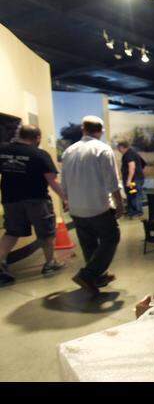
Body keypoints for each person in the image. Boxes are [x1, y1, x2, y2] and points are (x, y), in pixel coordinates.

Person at [60, 115, 124, 296]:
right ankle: (87, 275)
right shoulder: (102, 150)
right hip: (97, 206)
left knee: (88, 244)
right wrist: (119, 204)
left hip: (76, 208)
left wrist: (66, 200)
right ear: (101, 131)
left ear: (83, 129)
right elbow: (112, 182)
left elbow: (63, 181)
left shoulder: (69, 151)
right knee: (111, 237)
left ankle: (98, 277)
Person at [0, 124, 68, 286]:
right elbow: (52, 181)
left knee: (12, 232)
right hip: (36, 200)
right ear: (37, 138)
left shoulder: (3, 150)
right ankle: (50, 263)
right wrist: (65, 198)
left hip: (11, 200)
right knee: (46, 232)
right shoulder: (39, 154)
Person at [116, 141, 146, 218]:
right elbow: (143, 163)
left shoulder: (129, 154)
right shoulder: (132, 153)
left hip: (134, 180)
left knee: (135, 195)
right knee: (131, 194)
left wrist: (129, 180)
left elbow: (131, 167)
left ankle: (138, 211)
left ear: (122, 147)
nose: (118, 150)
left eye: (119, 148)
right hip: (136, 178)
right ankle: (131, 211)